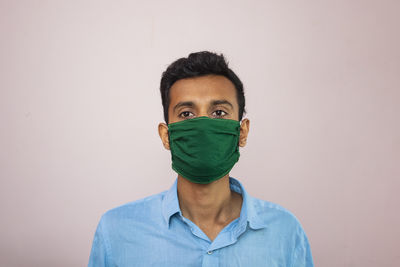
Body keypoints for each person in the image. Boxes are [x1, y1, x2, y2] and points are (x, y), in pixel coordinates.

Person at [88, 51, 314, 267]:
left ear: (242, 132)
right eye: (187, 114)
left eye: (219, 113)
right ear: (166, 136)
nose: (204, 127)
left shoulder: (285, 232)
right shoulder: (116, 231)